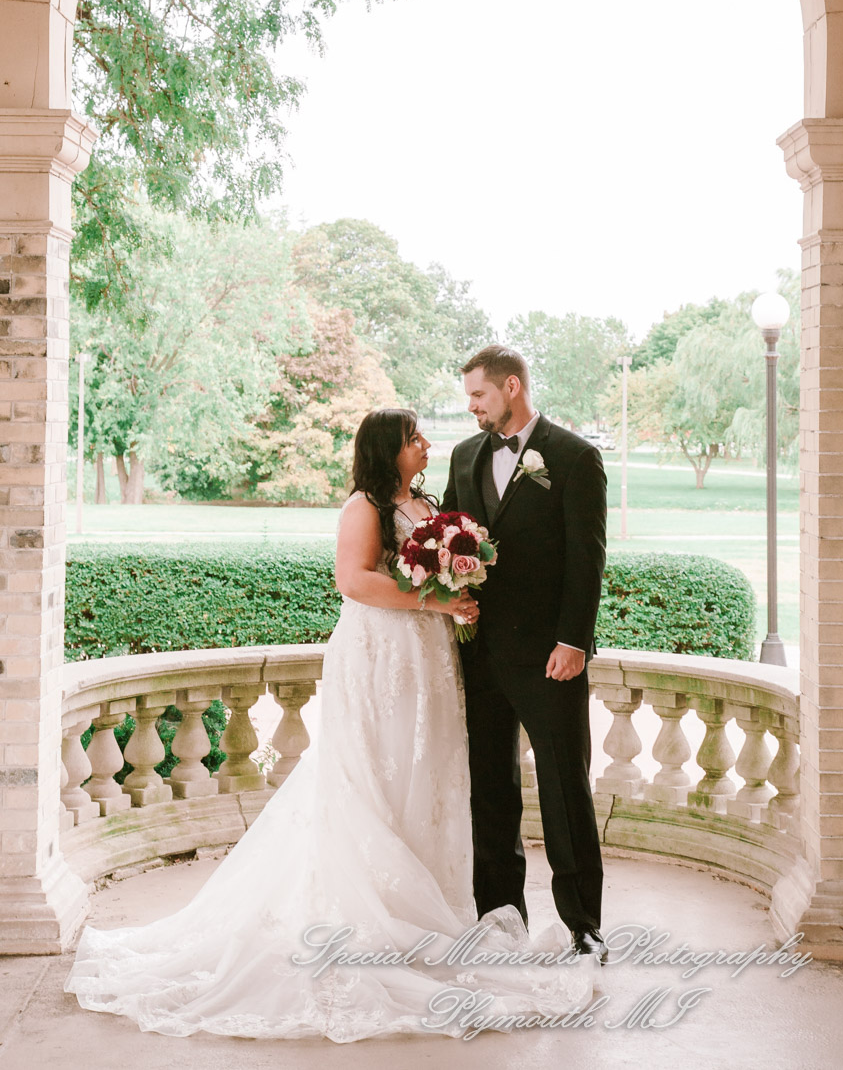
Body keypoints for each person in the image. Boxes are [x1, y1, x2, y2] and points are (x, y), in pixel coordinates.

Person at [64, 407, 594, 1041]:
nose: (426, 444)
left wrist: (460, 579)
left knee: (427, 777)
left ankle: (431, 905)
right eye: (413, 438)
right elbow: (354, 581)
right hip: (381, 657)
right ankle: (370, 914)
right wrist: (437, 597)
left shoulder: (426, 502)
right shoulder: (362, 507)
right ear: (386, 450)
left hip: (429, 657)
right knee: (374, 775)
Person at [442, 346, 608, 960]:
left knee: (565, 787)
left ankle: (583, 924)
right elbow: (449, 539)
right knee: (490, 788)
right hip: (479, 652)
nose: (471, 406)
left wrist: (574, 641)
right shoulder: (463, 457)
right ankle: (498, 916)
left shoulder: (574, 457)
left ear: (511, 388)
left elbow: (586, 559)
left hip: (549, 655)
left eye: (479, 395)